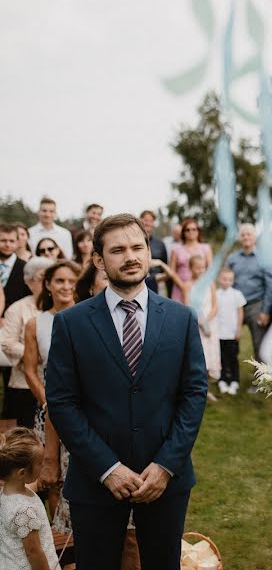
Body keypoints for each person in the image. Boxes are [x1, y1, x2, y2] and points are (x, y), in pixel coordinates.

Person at [45, 213, 208, 569]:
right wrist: (108, 468)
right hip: (96, 480)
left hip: (165, 479)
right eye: (117, 250)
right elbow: (61, 401)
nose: (130, 256)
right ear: (99, 261)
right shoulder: (71, 323)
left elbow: (194, 394)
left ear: (149, 252)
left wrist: (166, 465)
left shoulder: (181, 318)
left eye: (137, 247)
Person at [22, 259, 79, 534]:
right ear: (47, 285)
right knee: (52, 476)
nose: (66, 286)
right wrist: (48, 403)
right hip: (47, 409)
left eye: (71, 281)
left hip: (80, 408)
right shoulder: (37, 323)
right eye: (59, 281)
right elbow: (30, 369)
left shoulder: (86, 318)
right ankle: (59, 541)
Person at [153, 255, 220, 400]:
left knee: (210, 357)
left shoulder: (210, 284)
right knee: (199, 357)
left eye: (203, 268)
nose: (201, 271)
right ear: (190, 269)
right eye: (197, 268)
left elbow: (215, 306)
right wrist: (200, 321)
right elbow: (188, 306)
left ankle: (206, 387)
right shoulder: (188, 285)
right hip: (196, 324)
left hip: (210, 324)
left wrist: (207, 320)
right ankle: (197, 387)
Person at [0, 258, 53, 427]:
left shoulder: (64, 306)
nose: (46, 283)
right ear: (29, 282)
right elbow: (6, 342)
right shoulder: (18, 308)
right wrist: (34, 353)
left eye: (49, 278)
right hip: (25, 383)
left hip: (57, 381)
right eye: (41, 278)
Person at [0, 427, 60, 569]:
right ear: (21, 473)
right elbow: (34, 552)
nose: (43, 466)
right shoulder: (24, 511)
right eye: (40, 463)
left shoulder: (7, 492)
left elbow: (32, 487)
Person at [226, 224, 272, 364]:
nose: (246, 237)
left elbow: (270, 285)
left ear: (255, 237)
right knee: (229, 341)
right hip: (235, 307)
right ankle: (230, 377)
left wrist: (265, 311)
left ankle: (262, 381)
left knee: (259, 344)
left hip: (256, 305)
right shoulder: (232, 259)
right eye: (243, 234)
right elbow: (226, 280)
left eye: (249, 234)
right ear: (239, 238)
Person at [214, 268, 246, 396]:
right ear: (219, 279)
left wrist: (239, 329)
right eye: (224, 279)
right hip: (219, 332)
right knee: (221, 358)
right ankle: (222, 379)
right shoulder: (216, 294)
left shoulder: (237, 294)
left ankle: (234, 380)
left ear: (233, 281)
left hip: (232, 332)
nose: (226, 282)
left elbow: (240, 312)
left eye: (229, 280)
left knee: (233, 357)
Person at [168, 218, 212, 304]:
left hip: (199, 288)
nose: (191, 232)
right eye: (187, 230)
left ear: (198, 231)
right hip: (180, 289)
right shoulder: (176, 250)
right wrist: (183, 286)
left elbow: (210, 269)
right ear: (183, 233)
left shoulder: (205, 248)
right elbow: (172, 271)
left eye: (194, 229)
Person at [140, 210, 169, 295]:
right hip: (140, 281)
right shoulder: (135, 241)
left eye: (150, 221)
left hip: (157, 281)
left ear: (153, 224)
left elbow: (165, 264)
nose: (148, 223)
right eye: (145, 220)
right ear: (140, 221)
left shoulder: (160, 243)